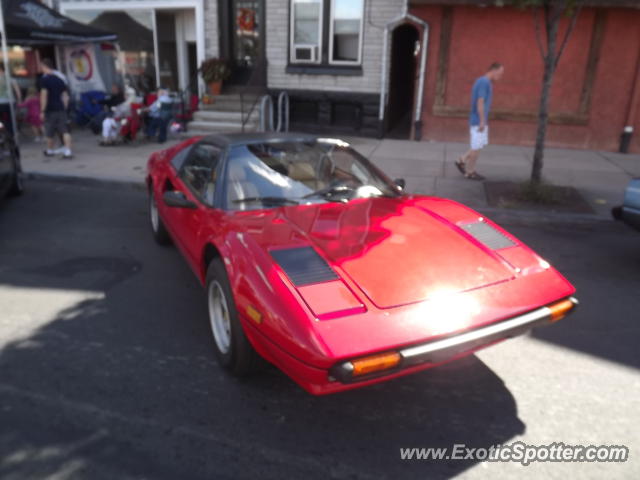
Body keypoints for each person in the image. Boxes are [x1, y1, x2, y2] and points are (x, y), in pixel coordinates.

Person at [455, 62, 504, 181]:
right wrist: (482, 121)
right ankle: (470, 172)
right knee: (476, 147)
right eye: (500, 73)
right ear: (493, 70)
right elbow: (480, 102)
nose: (501, 76)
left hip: (480, 120)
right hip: (478, 120)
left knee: (478, 146)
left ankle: (461, 160)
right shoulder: (484, 82)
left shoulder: (484, 82)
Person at [40, 58, 73, 159]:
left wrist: (42, 110)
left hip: (50, 109)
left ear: (45, 67)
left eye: (42, 67)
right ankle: (68, 151)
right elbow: (65, 96)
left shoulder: (44, 80)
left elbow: (44, 96)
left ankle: (50, 150)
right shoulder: (60, 80)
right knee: (65, 130)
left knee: (49, 131)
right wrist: (65, 107)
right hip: (61, 108)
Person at [0, 63, 22, 135]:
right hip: (11, 102)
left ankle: (3, 133)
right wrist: (19, 101)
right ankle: (12, 133)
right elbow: (17, 91)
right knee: (11, 119)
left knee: (2, 120)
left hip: (1, 103)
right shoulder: (10, 78)